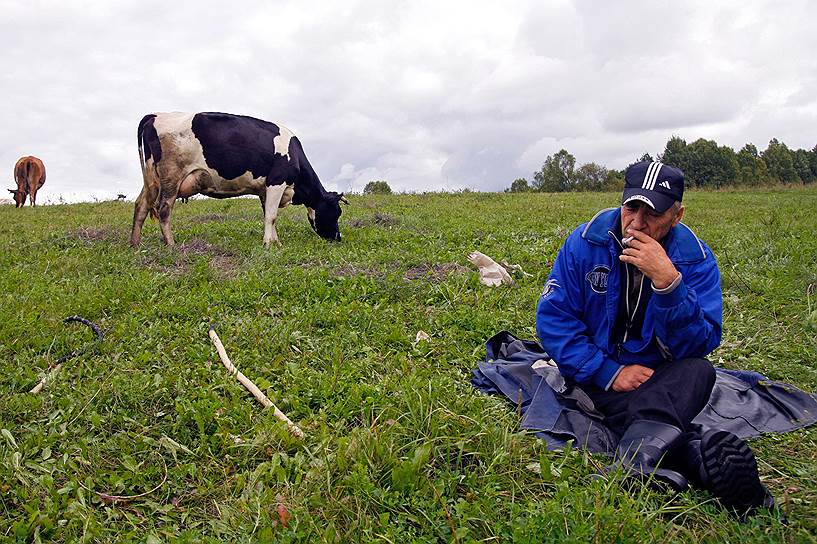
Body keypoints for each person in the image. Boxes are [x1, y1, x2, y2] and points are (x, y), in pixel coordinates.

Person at [535, 160, 773, 513]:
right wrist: (609, 373)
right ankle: (694, 453)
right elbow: (554, 319)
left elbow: (699, 344)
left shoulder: (695, 260)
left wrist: (669, 284)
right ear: (622, 202)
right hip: (595, 374)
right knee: (640, 404)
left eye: (653, 213)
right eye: (632, 207)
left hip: (656, 379)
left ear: (677, 216)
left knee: (700, 371)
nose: (638, 223)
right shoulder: (585, 244)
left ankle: (635, 460)